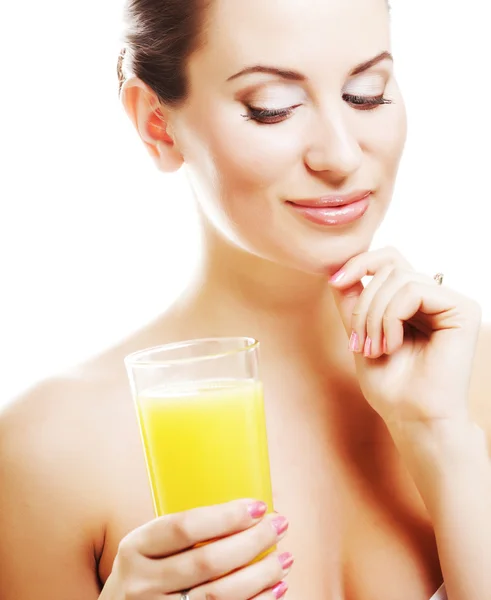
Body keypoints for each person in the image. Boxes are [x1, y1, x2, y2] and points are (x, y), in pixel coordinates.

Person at [1, 0, 490, 598]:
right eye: (272, 109)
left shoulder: (468, 381)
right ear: (157, 123)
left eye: (366, 94)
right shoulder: (49, 452)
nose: (339, 155)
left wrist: (443, 438)